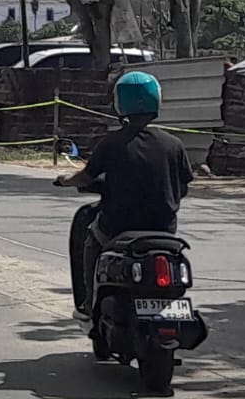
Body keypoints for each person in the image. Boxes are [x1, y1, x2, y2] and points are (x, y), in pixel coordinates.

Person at [56, 71, 192, 317]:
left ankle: (90, 304)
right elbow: (182, 187)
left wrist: (65, 181)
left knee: (91, 240)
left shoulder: (111, 143)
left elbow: (85, 177)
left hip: (117, 229)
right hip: (164, 230)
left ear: (120, 103)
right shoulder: (174, 144)